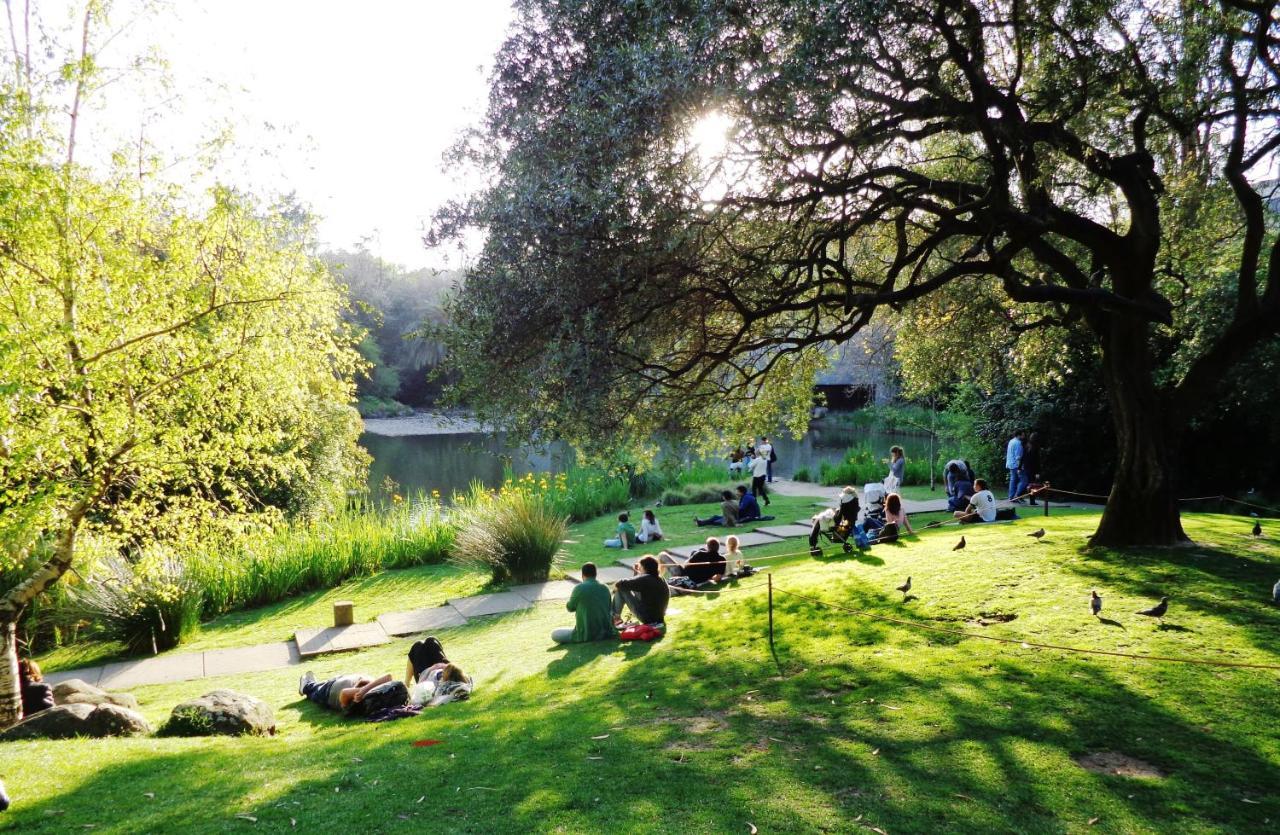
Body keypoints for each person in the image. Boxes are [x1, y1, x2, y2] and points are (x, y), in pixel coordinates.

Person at [552, 562, 618, 643]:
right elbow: (609, 608)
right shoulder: (605, 588)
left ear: (582, 575)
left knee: (555, 634)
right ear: (595, 574)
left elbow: (570, 608)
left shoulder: (579, 588)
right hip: (606, 632)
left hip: (585, 634)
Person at [299, 670, 394, 713]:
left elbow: (344, 693)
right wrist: (365, 688)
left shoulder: (362, 699)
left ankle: (306, 686)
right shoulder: (378, 691)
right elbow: (388, 677)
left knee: (314, 691)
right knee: (319, 687)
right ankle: (312, 683)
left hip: (328, 693)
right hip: (339, 681)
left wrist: (362, 690)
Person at [613, 555, 670, 626]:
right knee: (627, 586)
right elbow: (635, 583)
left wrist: (615, 587)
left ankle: (615, 617)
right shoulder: (660, 578)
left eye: (640, 567)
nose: (639, 568)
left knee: (622, 589)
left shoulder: (645, 579)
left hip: (648, 618)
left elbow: (621, 583)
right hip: (659, 617)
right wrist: (637, 572)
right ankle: (616, 617)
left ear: (645, 567)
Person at [809, 486, 860, 553]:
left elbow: (838, 519)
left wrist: (835, 514)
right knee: (820, 519)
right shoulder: (855, 502)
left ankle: (813, 544)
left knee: (818, 520)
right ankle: (813, 544)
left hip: (841, 526)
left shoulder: (845, 503)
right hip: (848, 524)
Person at [1005, 430, 1025, 502]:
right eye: (1023, 434)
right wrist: (1020, 467)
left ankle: (1012, 496)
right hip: (1016, 465)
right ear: (1019, 435)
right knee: (1024, 481)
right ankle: (1016, 496)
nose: (1024, 436)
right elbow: (1018, 457)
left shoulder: (1011, 441)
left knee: (1013, 480)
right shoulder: (1018, 443)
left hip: (1010, 463)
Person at [1023, 432, 1043, 505]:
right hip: (1033, 470)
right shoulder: (1035, 448)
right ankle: (1032, 500)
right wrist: (1038, 472)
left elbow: (1024, 458)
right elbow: (1037, 461)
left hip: (1027, 468)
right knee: (1033, 485)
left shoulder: (1027, 446)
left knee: (1030, 484)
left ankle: (1031, 499)